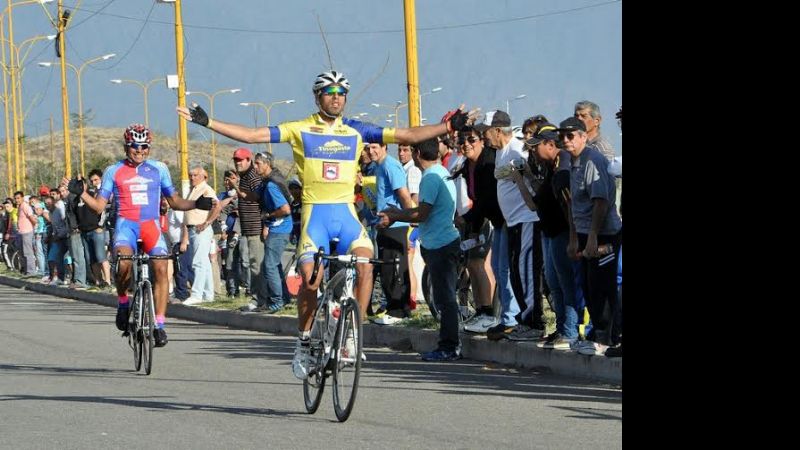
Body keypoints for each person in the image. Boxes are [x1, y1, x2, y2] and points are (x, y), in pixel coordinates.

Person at [178, 70, 475, 379]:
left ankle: (351, 336)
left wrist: (448, 125)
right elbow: (252, 136)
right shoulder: (300, 128)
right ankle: (304, 342)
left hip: (346, 216)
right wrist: (206, 121)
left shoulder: (357, 130)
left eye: (341, 93)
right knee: (310, 280)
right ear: (317, 97)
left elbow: (407, 136)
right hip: (315, 217)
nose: (337, 98)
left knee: (365, 266)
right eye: (330, 92)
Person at [71, 124, 214, 347]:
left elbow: (174, 201)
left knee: (161, 268)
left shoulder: (159, 168)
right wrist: (81, 193)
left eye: (144, 146)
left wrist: (196, 203)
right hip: (126, 226)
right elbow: (99, 206)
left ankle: (159, 325)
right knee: (125, 263)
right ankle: (122, 302)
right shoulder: (113, 170)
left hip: (151, 226)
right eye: (134, 147)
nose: (140, 151)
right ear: (127, 147)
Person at [378, 138, 462, 361]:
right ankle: (449, 343)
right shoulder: (439, 172)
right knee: (444, 297)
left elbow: (420, 214)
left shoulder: (431, 177)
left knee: (445, 298)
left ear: (417, 153)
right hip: (438, 242)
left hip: (441, 244)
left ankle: (449, 346)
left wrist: (394, 215)